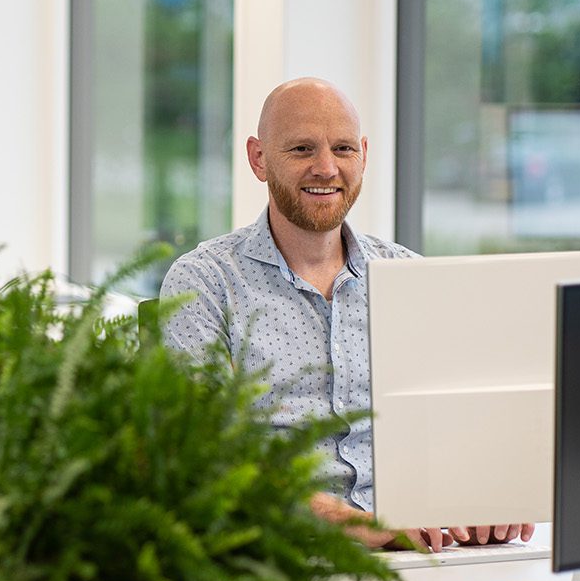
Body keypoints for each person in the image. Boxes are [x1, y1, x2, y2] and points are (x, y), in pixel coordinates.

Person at [159, 78, 534, 553]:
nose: (325, 168)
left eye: (342, 149)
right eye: (301, 149)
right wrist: (351, 522)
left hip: (428, 551)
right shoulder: (205, 283)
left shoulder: (410, 276)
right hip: (280, 557)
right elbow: (206, 456)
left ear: (364, 156)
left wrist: (492, 494)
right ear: (258, 158)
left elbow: (469, 429)